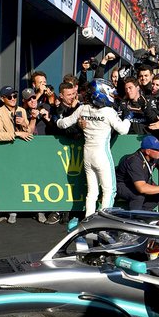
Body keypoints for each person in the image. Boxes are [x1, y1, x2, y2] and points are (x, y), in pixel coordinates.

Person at [56, 79, 131, 218]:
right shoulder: (108, 111)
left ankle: (88, 221)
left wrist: (57, 118)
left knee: (92, 192)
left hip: (87, 154)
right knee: (110, 190)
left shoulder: (82, 108)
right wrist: (128, 117)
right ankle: (104, 222)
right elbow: (123, 130)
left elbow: (62, 124)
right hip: (101, 154)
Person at [115, 135, 159, 211]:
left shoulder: (154, 156)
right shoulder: (134, 162)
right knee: (139, 196)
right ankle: (133, 219)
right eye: (157, 149)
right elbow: (141, 188)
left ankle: (142, 213)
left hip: (140, 182)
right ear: (148, 151)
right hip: (123, 184)